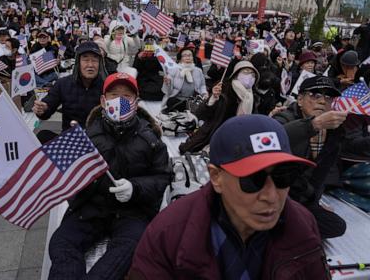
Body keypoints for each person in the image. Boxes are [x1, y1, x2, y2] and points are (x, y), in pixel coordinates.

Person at [129, 114, 331, 280]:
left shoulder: (303, 225)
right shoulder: (167, 234)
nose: (271, 196)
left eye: (283, 176)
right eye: (253, 179)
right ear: (216, 177)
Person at [48, 71, 171, 280]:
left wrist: (135, 188)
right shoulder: (88, 136)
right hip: (92, 208)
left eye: (127, 96)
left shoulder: (151, 139)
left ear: (136, 101)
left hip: (132, 212)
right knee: (62, 243)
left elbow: (161, 178)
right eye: (114, 95)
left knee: (128, 250)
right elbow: (70, 180)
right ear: (104, 101)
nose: (120, 101)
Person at [272, 76, 347, 239]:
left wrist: (314, 202)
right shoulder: (285, 118)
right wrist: (313, 125)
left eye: (328, 97)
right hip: (273, 194)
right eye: (315, 95)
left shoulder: (334, 132)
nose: (322, 101)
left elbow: (320, 175)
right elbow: (272, 138)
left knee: (336, 226)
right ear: (300, 99)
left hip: (301, 198)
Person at [179, 60, 259, 153]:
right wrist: (213, 98)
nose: (250, 77)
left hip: (236, 135)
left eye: (253, 75)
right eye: (246, 73)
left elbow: (252, 119)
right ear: (237, 74)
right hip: (214, 132)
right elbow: (202, 113)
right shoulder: (223, 88)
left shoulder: (252, 96)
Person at [33, 41, 106, 141]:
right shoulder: (63, 84)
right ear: (78, 62)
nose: (90, 65)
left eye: (94, 60)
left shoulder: (107, 86)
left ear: (100, 63)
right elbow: (47, 106)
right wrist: (42, 109)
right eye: (86, 60)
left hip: (97, 141)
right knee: (42, 135)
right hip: (69, 140)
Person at [161, 47, 208, 113]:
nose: (187, 57)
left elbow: (202, 85)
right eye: (184, 56)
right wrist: (167, 83)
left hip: (193, 101)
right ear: (180, 59)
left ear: (193, 58)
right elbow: (167, 92)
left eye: (190, 55)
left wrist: (204, 93)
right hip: (176, 100)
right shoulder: (174, 70)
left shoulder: (198, 71)